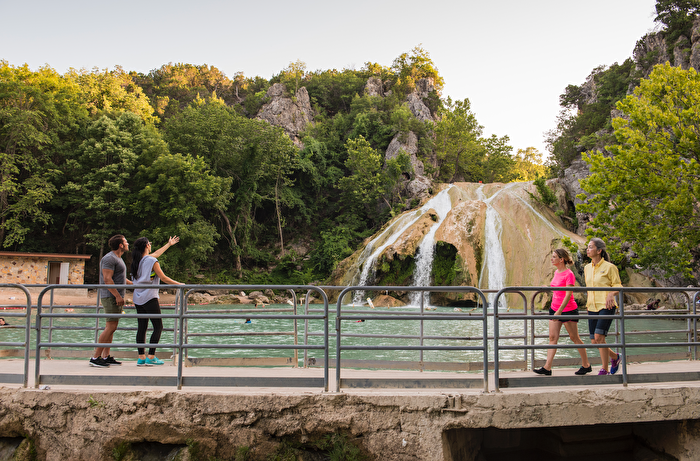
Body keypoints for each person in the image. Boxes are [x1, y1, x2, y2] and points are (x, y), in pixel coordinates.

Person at [534, 249, 592, 376]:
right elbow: (557, 290)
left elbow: (568, 294)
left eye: (554, 257)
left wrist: (560, 311)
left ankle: (586, 365)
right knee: (552, 338)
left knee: (574, 338)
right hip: (554, 308)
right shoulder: (556, 272)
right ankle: (547, 367)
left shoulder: (569, 274)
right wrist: (547, 289)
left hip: (567, 309)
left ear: (561, 259)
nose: (551, 259)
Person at [131, 236, 182, 366]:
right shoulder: (152, 260)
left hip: (138, 297)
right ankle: (151, 356)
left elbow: (155, 254)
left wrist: (168, 244)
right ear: (147, 246)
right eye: (150, 243)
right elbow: (163, 278)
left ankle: (141, 358)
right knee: (158, 326)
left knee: (142, 327)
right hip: (149, 297)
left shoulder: (138, 260)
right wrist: (180, 284)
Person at [90, 234, 132, 368]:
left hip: (115, 296)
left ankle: (105, 356)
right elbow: (107, 279)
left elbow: (119, 277)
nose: (127, 243)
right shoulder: (109, 258)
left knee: (112, 327)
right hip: (110, 296)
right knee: (110, 326)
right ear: (120, 245)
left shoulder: (118, 258)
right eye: (125, 242)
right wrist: (117, 296)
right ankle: (95, 357)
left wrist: (134, 284)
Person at [585, 238, 623, 375]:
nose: (587, 249)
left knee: (599, 337)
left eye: (590, 247)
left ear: (599, 250)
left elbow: (618, 285)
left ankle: (604, 369)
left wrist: (611, 294)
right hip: (592, 306)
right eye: (587, 247)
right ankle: (615, 357)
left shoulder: (610, 267)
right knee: (595, 341)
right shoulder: (587, 268)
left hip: (606, 306)